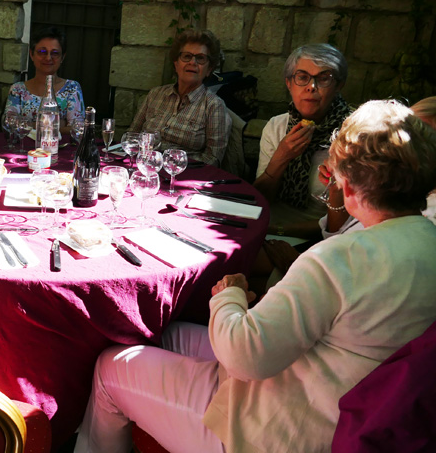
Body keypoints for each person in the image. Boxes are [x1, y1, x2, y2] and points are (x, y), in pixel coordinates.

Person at [74, 100, 436, 453]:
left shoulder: (341, 258)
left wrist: (228, 295)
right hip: (337, 394)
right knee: (164, 334)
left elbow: (245, 357)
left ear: (349, 184)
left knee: (109, 368)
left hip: (281, 424)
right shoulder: (426, 240)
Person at [253, 43, 352, 238]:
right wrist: (281, 157)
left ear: (338, 85)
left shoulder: (353, 134)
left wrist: (279, 231)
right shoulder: (277, 126)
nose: (311, 87)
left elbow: (349, 223)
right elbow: (258, 199)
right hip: (265, 226)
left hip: (320, 239)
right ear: (289, 83)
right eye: (302, 77)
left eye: (323, 78)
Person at [128, 30, 231, 166]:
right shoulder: (155, 94)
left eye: (200, 58)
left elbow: (213, 159)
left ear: (208, 70)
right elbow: (132, 136)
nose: (192, 62)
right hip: (144, 167)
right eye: (187, 56)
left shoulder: (214, 106)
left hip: (181, 173)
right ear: (176, 64)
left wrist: (174, 166)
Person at [3, 26, 85, 134]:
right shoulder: (18, 90)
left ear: (62, 57)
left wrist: (29, 125)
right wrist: (58, 124)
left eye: (55, 53)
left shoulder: (72, 88)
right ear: (32, 54)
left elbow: (78, 130)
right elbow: (9, 126)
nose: (48, 58)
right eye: (42, 51)